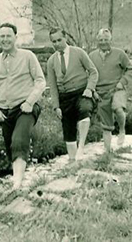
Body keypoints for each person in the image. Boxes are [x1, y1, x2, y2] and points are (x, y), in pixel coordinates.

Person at [0, 23, 46, 190]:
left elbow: (41, 81)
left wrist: (29, 102)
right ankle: (19, 175)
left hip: (25, 108)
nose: (5, 39)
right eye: (2, 36)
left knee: (19, 141)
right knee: (9, 145)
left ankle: (17, 184)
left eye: (8, 36)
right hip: (4, 111)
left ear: (15, 37)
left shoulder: (28, 56)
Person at [46, 28, 98, 163]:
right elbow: (52, 86)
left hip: (81, 92)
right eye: (54, 41)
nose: (57, 43)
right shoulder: (51, 61)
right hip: (65, 98)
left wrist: (89, 89)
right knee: (68, 131)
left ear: (65, 39)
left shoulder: (79, 53)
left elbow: (93, 72)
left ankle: (81, 147)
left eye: (59, 40)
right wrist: (56, 106)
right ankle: (73, 163)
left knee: (84, 112)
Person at [89, 28, 132, 152]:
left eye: (106, 40)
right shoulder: (92, 56)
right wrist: (93, 91)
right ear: (97, 41)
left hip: (117, 89)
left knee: (118, 108)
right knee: (106, 125)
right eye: (101, 40)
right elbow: (88, 74)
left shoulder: (119, 54)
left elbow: (130, 69)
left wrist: (122, 83)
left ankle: (122, 130)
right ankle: (107, 152)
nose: (103, 42)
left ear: (111, 40)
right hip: (101, 93)